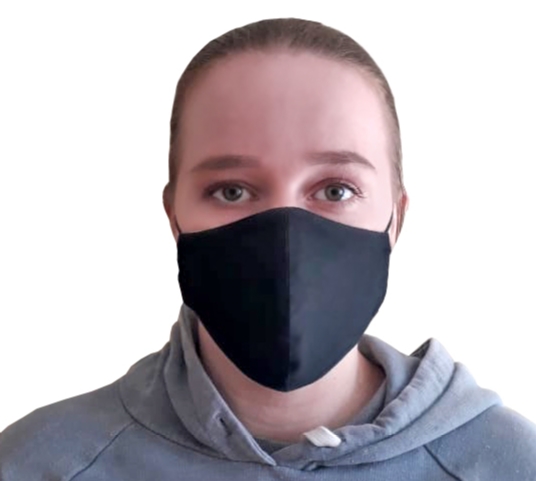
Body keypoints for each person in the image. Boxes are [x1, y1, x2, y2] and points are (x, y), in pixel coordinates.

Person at [1, 17, 535, 480]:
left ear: (396, 219)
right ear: (173, 218)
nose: (284, 235)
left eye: (335, 190)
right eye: (231, 191)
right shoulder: (38, 464)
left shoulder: (513, 464)